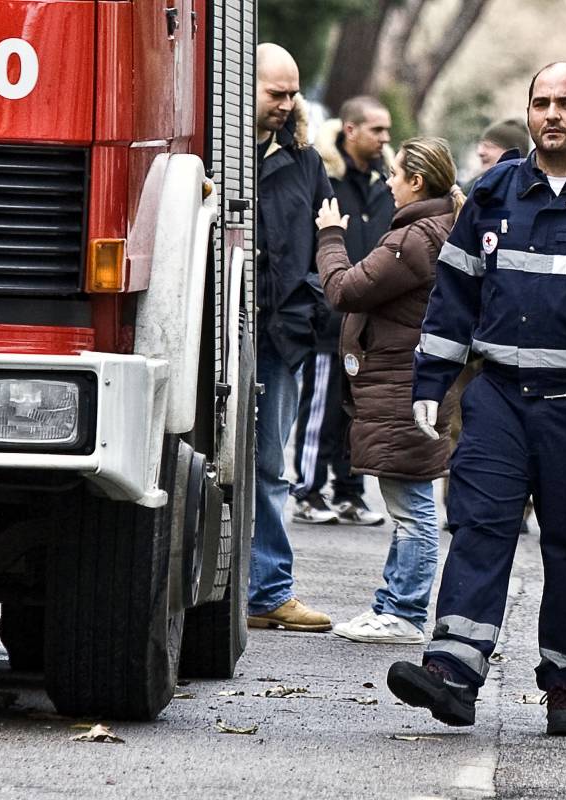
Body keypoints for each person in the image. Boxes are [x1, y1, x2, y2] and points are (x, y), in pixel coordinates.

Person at [385, 61, 566, 736]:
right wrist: (430, 383)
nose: (551, 114)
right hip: (499, 396)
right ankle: (452, 671)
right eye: (540, 103)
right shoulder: (496, 190)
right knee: (479, 525)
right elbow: (454, 297)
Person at [313, 137, 462, 643]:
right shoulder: (438, 227)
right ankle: (391, 604)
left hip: (403, 383)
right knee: (406, 499)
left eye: (395, 174)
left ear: (417, 181)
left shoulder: (413, 240)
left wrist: (331, 236)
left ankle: (404, 612)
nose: (388, 182)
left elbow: (344, 289)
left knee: (412, 505)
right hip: (409, 380)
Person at [247, 43, 334, 632]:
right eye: (276, 92)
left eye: (291, 93)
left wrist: (305, 303)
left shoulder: (304, 160)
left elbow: (327, 233)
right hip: (226, 326)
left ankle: (269, 589)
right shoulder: (213, 152)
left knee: (273, 464)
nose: (287, 103)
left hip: (279, 335)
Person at [292, 96, 394, 527]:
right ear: (350, 130)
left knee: (358, 411)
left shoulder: (386, 182)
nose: (386, 139)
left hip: (370, 323)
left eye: (388, 130)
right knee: (320, 409)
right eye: (377, 130)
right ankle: (308, 491)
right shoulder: (325, 176)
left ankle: (350, 492)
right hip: (328, 318)